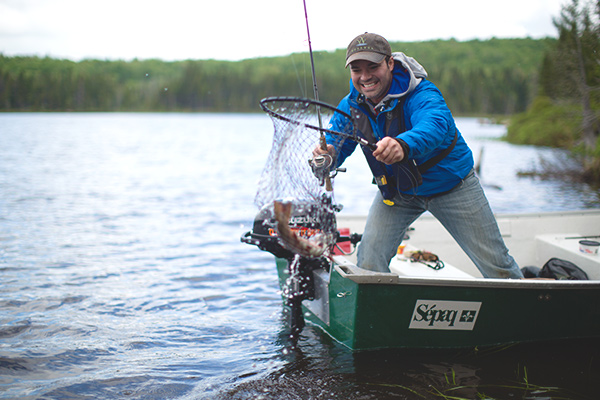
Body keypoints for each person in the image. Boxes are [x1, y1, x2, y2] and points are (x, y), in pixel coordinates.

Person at [316, 33, 523, 278]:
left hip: (452, 185)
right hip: (398, 191)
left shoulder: (421, 92)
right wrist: (328, 155)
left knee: (498, 267)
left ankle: (531, 311)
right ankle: (377, 314)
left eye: (373, 67)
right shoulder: (351, 104)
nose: (365, 77)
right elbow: (337, 140)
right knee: (369, 262)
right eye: (356, 69)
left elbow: (435, 125)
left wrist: (402, 145)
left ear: (390, 63)